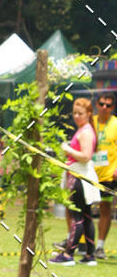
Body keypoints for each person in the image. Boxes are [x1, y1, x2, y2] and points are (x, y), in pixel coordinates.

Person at [50, 98, 98, 266]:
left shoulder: (85, 132)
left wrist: (68, 149)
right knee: (86, 216)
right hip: (81, 176)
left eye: (81, 114)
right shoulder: (86, 129)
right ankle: (90, 256)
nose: (77, 116)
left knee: (77, 216)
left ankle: (68, 254)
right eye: (75, 113)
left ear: (89, 114)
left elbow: (86, 156)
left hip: (79, 176)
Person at [92, 93, 117, 259]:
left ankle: (100, 246)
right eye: (102, 104)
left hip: (108, 173)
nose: (104, 108)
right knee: (80, 206)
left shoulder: (115, 123)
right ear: (96, 104)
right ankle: (79, 242)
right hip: (90, 172)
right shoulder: (90, 121)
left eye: (108, 105)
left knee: (105, 208)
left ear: (112, 108)